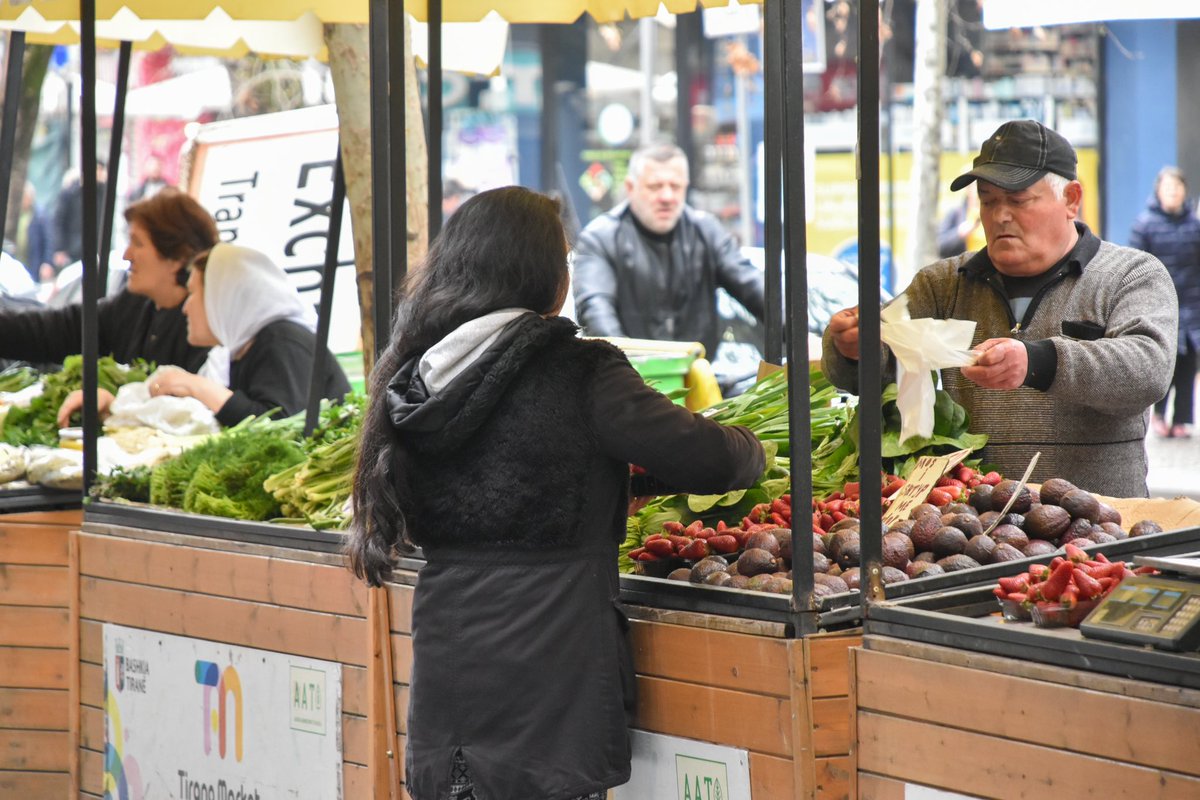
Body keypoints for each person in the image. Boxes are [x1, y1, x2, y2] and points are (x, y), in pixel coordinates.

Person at [346, 186, 764, 800]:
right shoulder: (577, 369)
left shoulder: (417, 375)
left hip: (450, 677)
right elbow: (712, 459)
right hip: (551, 677)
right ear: (546, 275)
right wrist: (752, 446)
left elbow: (510, 475)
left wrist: (620, 484)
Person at [822, 119, 1177, 498]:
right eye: (988, 201)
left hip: (1102, 521)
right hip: (975, 524)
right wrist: (850, 348)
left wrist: (1038, 361)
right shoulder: (942, 284)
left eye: (1018, 200)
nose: (999, 215)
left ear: (1071, 199)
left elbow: (1148, 369)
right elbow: (872, 368)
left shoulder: (1131, 274)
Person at [572, 143, 765, 358]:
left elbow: (753, 286)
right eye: (655, 186)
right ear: (630, 187)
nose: (667, 197)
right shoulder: (600, 238)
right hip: (627, 374)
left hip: (699, 373)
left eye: (675, 186)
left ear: (686, 186)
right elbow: (596, 311)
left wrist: (793, 331)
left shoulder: (706, 231)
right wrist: (624, 367)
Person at [2, 187, 216, 371]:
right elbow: (64, 329)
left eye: (138, 243)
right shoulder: (134, 304)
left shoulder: (204, 327)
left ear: (176, 257)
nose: (126, 255)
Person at [145, 243, 350, 427]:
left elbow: (280, 425)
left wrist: (198, 387)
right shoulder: (242, 349)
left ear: (221, 297)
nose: (185, 308)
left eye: (192, 293)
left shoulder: (282, 340)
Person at [1129, 166, 1200, 439]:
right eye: (1168, 187)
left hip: (1191, 306)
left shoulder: (1194, 226)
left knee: (1188, 365)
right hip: (1159, 305)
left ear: (1184, 191)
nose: (1173, 192)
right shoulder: (1144, 224)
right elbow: (1135, 265)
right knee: (1162, 361)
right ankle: (1158, 414)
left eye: (1177, 187)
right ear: (1158, 191)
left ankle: (1182, 419)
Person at [936, 184, 986, 258]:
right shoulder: (956, 214)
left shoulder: (992, 214)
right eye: (976, 187)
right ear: (968, 190)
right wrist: (959, 234)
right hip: (965, 262)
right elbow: (939, 246)